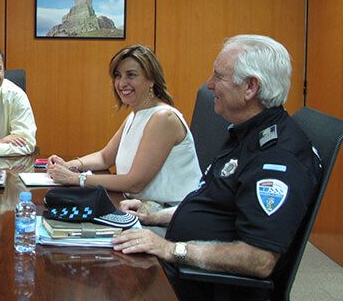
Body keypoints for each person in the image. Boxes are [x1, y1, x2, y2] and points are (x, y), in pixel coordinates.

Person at [112, 35, 322, 301]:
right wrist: (155, 216)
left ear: (250, 87)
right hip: (183, 264)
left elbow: (259, 259)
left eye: (219, 77)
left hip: (202, 285)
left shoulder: (277, 159)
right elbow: (216, 202)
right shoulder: (246, 133)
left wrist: (171, 249)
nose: (210, 85)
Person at [46, 45, 201, 205]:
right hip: (138, 207)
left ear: (151, 80)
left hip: (169, 216)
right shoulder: (136, 114)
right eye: (118, 76)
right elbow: (105, 157)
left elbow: (134, 183)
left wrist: (74, 178)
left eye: (131, 75)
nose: (121, 83)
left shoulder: (164, 118)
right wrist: (69, 165)